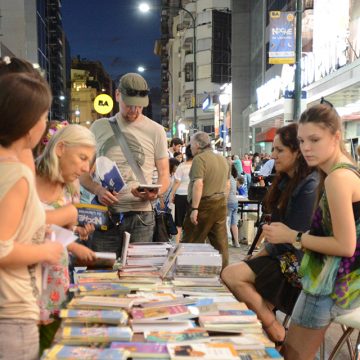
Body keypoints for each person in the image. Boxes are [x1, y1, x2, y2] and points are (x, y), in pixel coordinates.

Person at [262, 104, 360, 360]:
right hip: (340, 282)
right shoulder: (346, 170)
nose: (306, 147)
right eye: (303, 140)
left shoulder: (337, 179)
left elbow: (344, 245)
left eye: (315, 139)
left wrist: (291, 237)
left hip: (328, 285)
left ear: (336, 137)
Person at [221, 123, 319, 348]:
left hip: (303, 265)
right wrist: (259, 254)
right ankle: (272, 337)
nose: (273, 155)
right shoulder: (287, 181)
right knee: (246, 296)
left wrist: (259, 255)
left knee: (233, 277)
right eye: (273, 149)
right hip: (284, 257)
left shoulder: (311, 185)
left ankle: (275, 331)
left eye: (279, 150)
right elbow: (277, 235)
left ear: (297, 151)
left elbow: (291, 238)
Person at [0, 72, 63, 360]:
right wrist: (45, 250)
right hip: (10, 311)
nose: (45, 124)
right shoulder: (15, 174)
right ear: (28, 122)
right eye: (44, 116)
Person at [80, 73, 169, 255]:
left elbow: (164, 175)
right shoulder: (99, 127)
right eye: (129, 105)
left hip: (142, 216)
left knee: (139, 276)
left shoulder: (156, 131)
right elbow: (82, 173)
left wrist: (154, 193)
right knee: (102, 275)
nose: (134, 110)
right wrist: (98, 190)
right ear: (118, 95)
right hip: (105, 215)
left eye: (139, 106)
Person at [36, 124, 97, 352]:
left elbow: (64, 232)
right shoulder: (25, 178)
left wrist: (75, 244)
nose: (85, 168)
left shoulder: (71, 187)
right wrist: (64, 215)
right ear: (60, 148)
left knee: (51, 346)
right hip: (23, 280)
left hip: (55, 278)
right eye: (82, 157)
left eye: (89, 160)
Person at [182, 131, 230, 267]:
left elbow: (198, 183)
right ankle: (224, 273)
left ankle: (187, 271)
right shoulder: (222, 159)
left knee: (191, 241)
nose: (190, 147)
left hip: (203, 205)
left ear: (197, 145)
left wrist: (195, 208)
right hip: (220, 203)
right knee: (220, 244)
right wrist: (222, 200)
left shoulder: (199, 159)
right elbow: (227, 184)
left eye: (191, 144)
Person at [171, 144, 193, 243]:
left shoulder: (182, 166)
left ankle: (177, 244)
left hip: (180, 196)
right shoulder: (198, 166)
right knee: (192, 221)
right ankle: (191, 243)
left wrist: (172, 194)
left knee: (179, 221)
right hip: (192, 196)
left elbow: (176, 182)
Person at [227, 164, 240, 248]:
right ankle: (237, 242)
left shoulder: (227, 178)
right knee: (234, 223)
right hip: (235, 202)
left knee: (226, 222)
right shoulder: (233, 177)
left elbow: (227, 191)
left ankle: (229, 241)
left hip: (228, 202)